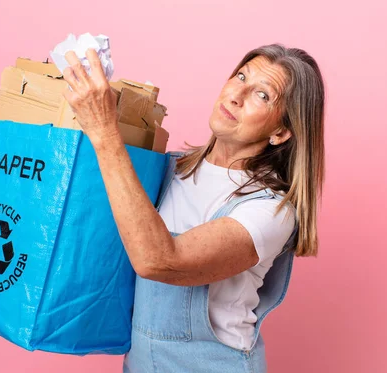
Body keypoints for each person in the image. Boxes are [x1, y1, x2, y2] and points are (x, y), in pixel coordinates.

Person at [62, 43, 325, 373]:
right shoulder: (166, 170)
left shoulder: (271, 211)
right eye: (240, 76)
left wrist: (103, 129)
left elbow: (159, 260)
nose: (236, 95)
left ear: (281, 131)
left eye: (262, 95)